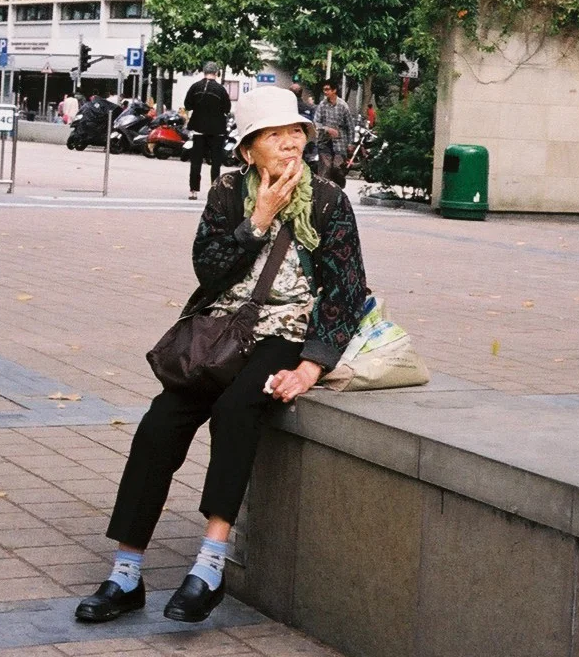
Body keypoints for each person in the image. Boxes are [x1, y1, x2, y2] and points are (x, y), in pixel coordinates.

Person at [75, 86, 369, 625]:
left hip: (285, 331)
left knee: (236, 411)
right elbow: (208, 270)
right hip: (220, 330)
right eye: (274, 136)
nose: (289, 144)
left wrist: (310, 365)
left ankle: (209, 566)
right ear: (248, 149)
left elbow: (348, 291)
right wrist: (256, 220)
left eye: (295, 133)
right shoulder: (228, 192)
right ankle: (126, 572)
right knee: (159, 425)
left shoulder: (329, 201)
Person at [184, 63, 232, 201]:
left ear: (203, 72)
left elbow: (188, 105)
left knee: (196, 161)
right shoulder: (221, 89)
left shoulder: (195, 87)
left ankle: (193, 190)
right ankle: (215, 190)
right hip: (217, 130)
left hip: (198, 128)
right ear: (216, 73)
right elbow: (226, 108)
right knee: (216, 162)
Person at [312, 81, 355, 187]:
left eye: (327, 89)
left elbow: (350, 126)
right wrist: (326, 129)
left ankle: (338, 188)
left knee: (337, 167)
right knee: (325, 169)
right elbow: (316, 122)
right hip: (324, 142)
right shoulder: (322, 105)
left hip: (340, 143)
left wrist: (351, 143)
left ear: (334, 90)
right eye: (324, 90)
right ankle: (323, 194)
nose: (325, 92)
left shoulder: (343, 106)